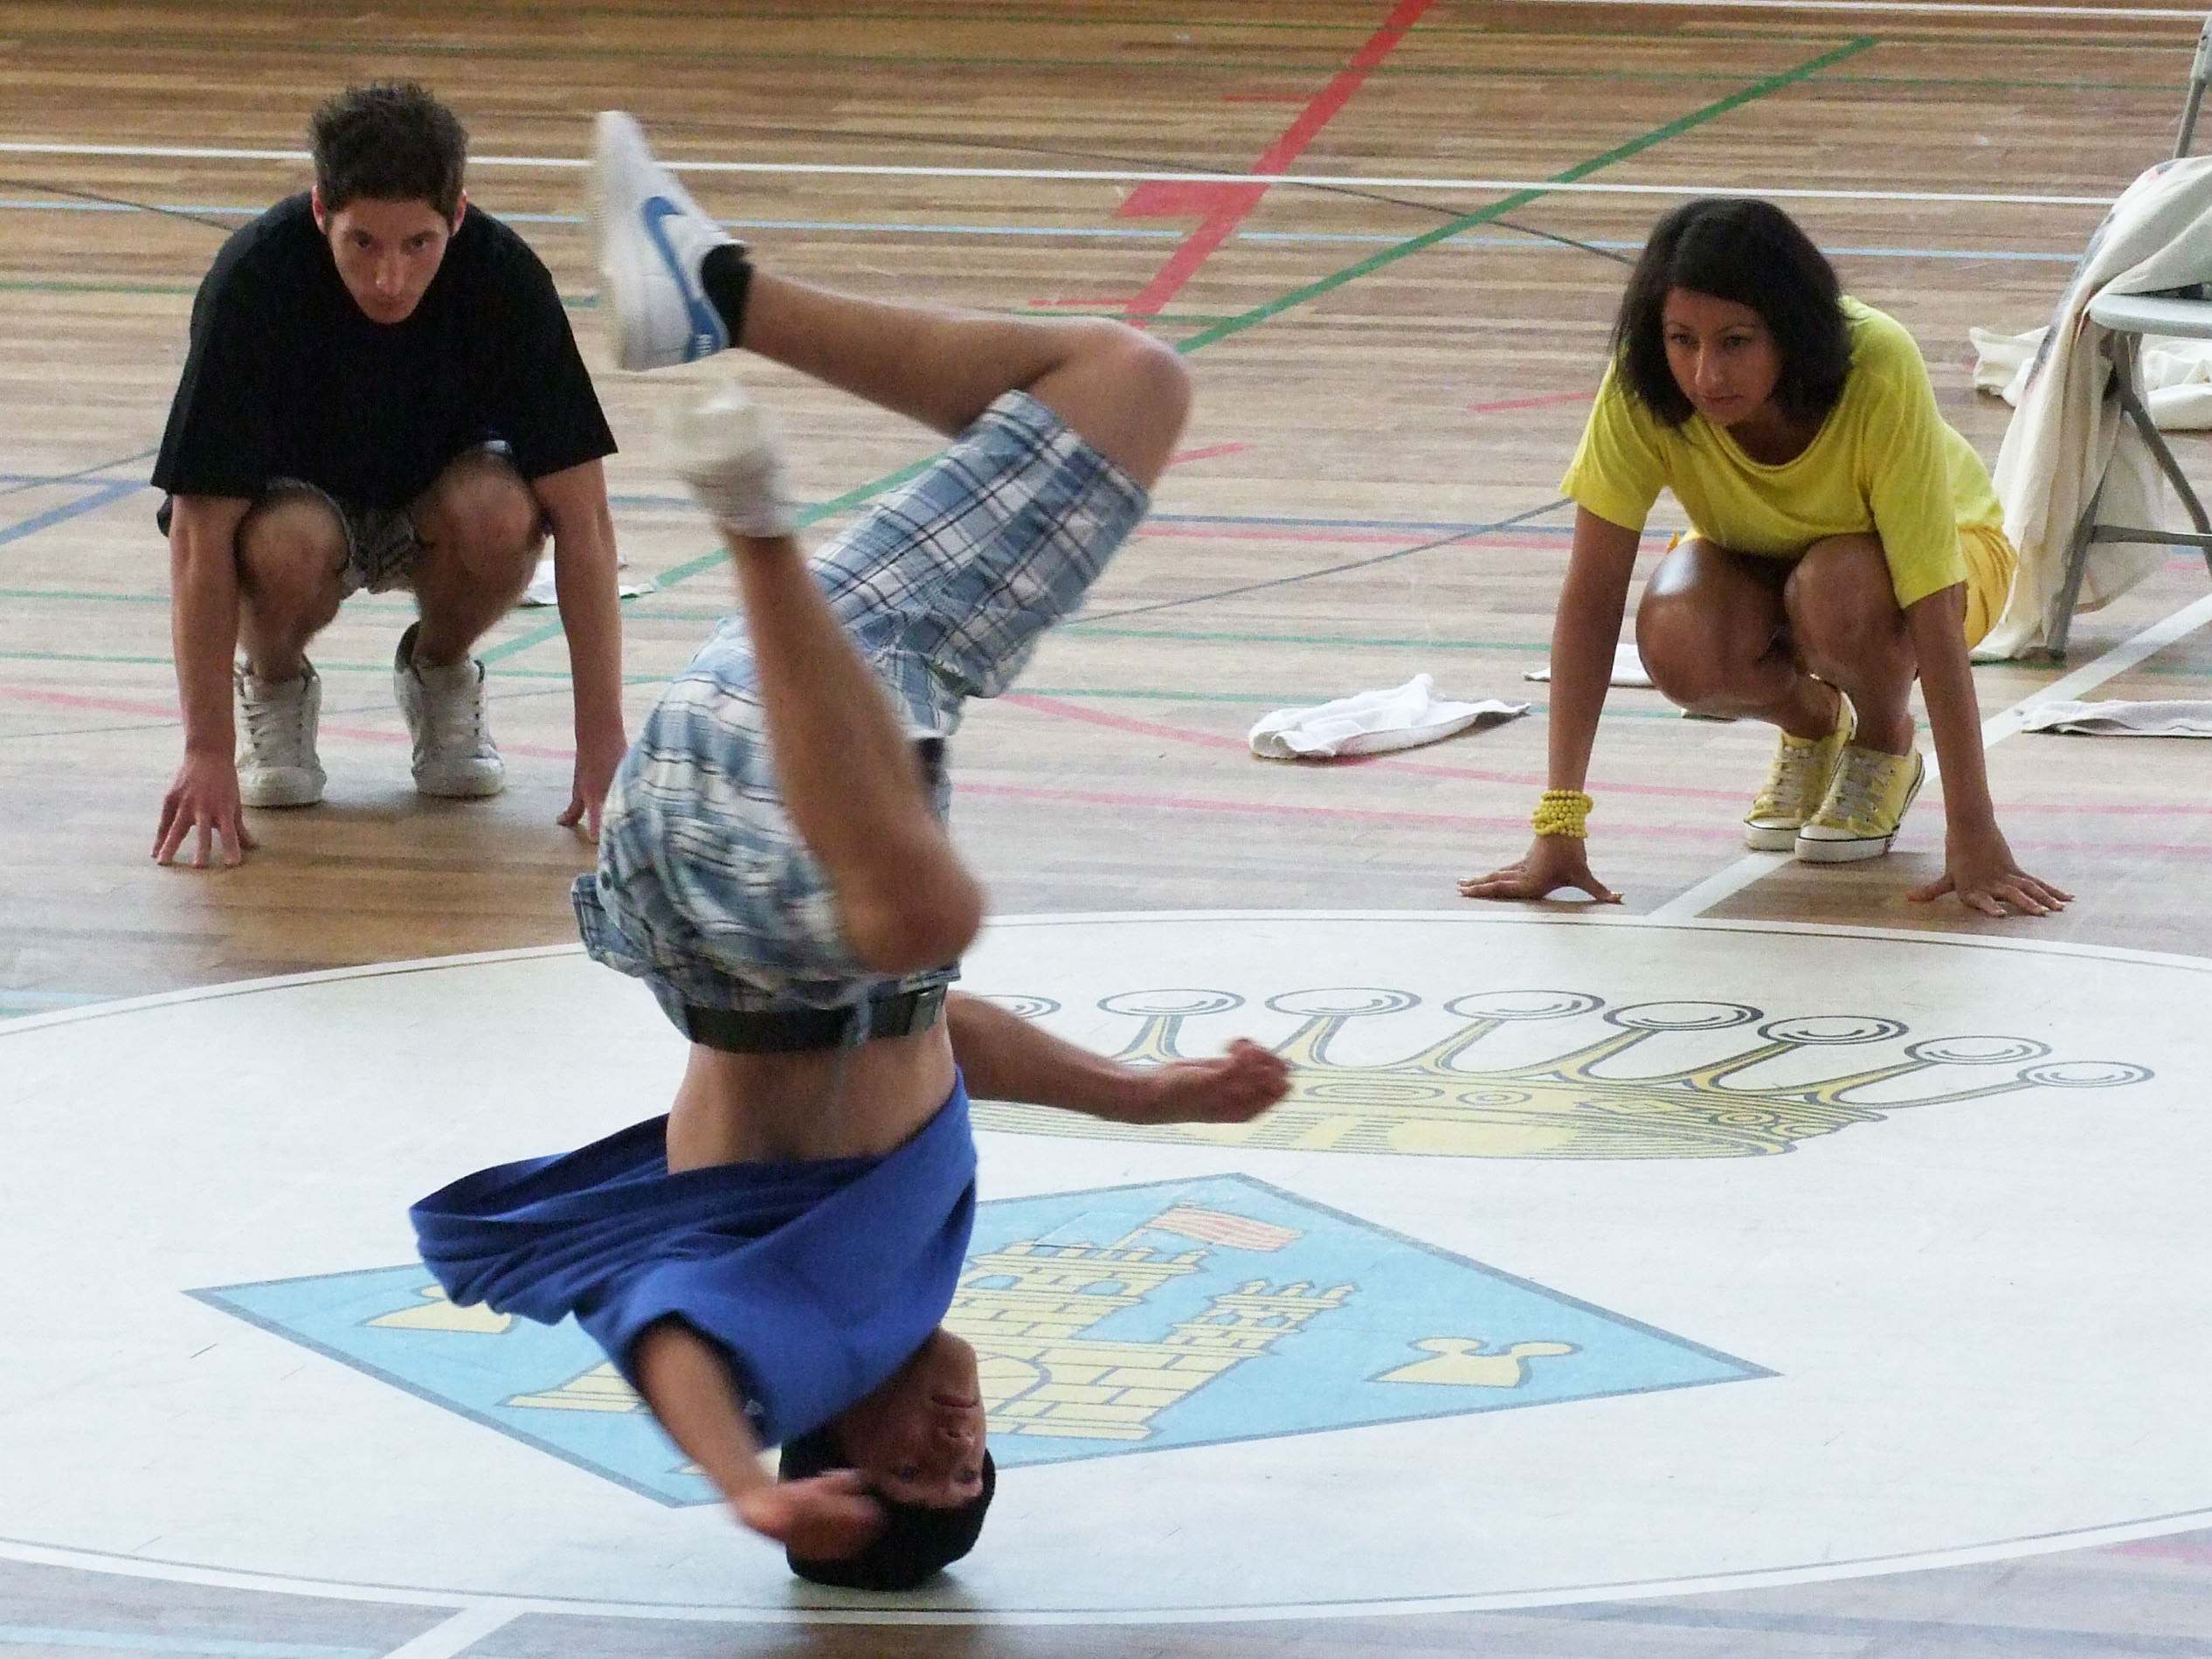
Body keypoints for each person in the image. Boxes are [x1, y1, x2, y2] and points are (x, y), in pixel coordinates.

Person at [412, 112, 1290, 1589]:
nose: (959, 1439)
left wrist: (739, 1487)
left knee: (919, 913)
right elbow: (933, 1043)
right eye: (977, 1463)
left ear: (828, 1443)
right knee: (1125, 385)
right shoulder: (903, 1267)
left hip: (724, 892)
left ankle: (750, 515)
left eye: (918, 1470)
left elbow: (669, 1343)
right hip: (826, 718)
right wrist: (1142, 1095)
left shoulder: (797, 1343)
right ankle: (716, 293)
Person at [1461, 197, 2070, 920]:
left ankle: (1884, 740)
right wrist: (1559, 823)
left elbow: (1932, 605)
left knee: (1837, 592)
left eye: (1736, 341)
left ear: (1790, 328)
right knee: (1677, 632)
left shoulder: (1878, 362)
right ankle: (1811, 722)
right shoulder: (1644, 382)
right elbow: (1592, 597)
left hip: (1944, 560)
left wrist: (1972, 829)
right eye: (1682, 340)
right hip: (1763, 562)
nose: (1705, 374)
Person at [149, 82, 629, 868]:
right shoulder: (252, 282)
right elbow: (201, 535)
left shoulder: (506, 282)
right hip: (299, 519)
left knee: (502, 512)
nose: (389, 278)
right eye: (363, 243)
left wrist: (602, 741)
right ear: (320, 212)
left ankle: (440, 669)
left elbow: (587, 521)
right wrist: (205, 747)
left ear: (458, 218)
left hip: (439, 511)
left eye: (419, 245)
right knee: (286, 545)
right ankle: (274, 681)